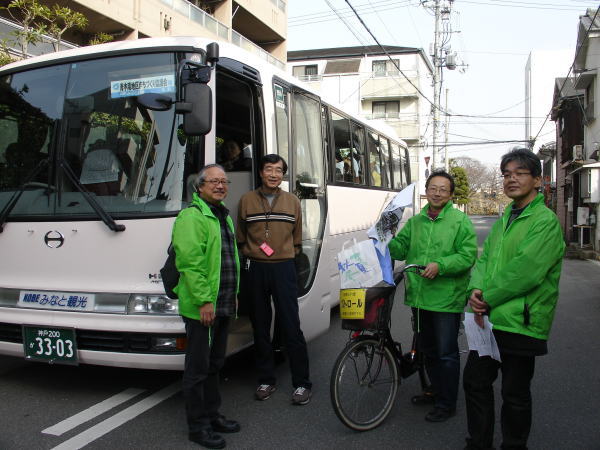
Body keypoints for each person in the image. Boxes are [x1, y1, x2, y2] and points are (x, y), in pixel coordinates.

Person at [463, 148, 565, 449]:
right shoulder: (507, 215)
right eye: (506, 174)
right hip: (490, 318)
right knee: (475, 382)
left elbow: (526, 271)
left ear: (537, 180)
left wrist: (488, 297)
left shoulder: (544, 221)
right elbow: (486, 259)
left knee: (515, 393)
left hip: (522, 319)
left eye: (519, 173)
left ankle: (514, 446)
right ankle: (479, 443)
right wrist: (476, 290)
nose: (511, 179)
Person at [388, 170, 477, 422]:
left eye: (443, 189)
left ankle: (447, 402)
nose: (437, 193)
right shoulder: (416, 222)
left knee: (446, 352)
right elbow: (400, 248)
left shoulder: (460, 221)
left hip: (446, 298)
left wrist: (441, 265)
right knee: (426, 349)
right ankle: (434, 390)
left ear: (450, 194)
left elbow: (467, 255)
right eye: (433, 188)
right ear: (426, 191)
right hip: (419, 295)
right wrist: (387, 236)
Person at [172, 164, 241, 449]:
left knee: (214, 365)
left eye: (224, 181)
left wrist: (232, 296)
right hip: (204, 306)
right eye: (214, 181)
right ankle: (198, 427)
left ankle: (213, 415)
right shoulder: (192, 216)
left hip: (223, 303)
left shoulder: (222, 215)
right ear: (199, 186)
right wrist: (203, 301)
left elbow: (227, 260)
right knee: (198, 369)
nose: (220, 186)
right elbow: (190, 263)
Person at [236, 154, 312, 405]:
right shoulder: (246, 201)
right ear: (260, 172)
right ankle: (266, 380)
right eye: (268, 169)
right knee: (260, 327)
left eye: (278, 170)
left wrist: (285, 256)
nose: (273, 174)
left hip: (284, 269)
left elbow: (297, 239)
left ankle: (302, 383)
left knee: (292, 326)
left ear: (283, 175)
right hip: (255, 269)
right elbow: (241, 237)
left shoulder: (292, 202)